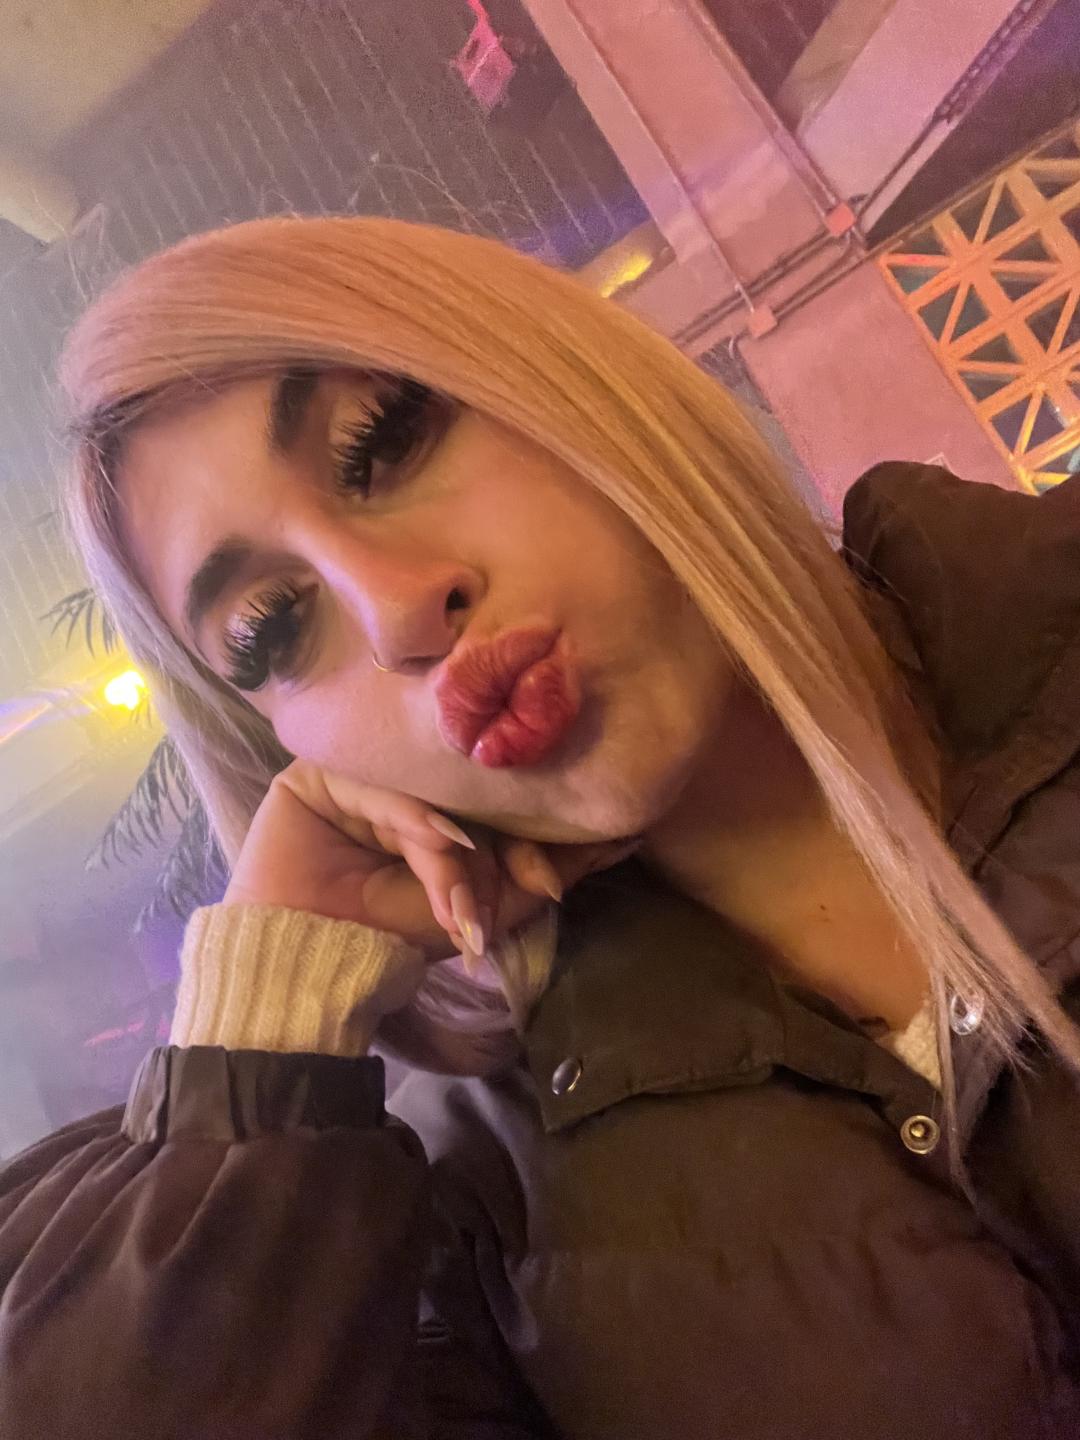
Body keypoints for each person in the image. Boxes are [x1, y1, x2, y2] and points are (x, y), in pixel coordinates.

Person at [1, 215, 1078, 1439]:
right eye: (271, 628)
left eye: (379, 441)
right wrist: (264, 1031)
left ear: (558, 378)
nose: (395, 609)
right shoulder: (479, 1226)